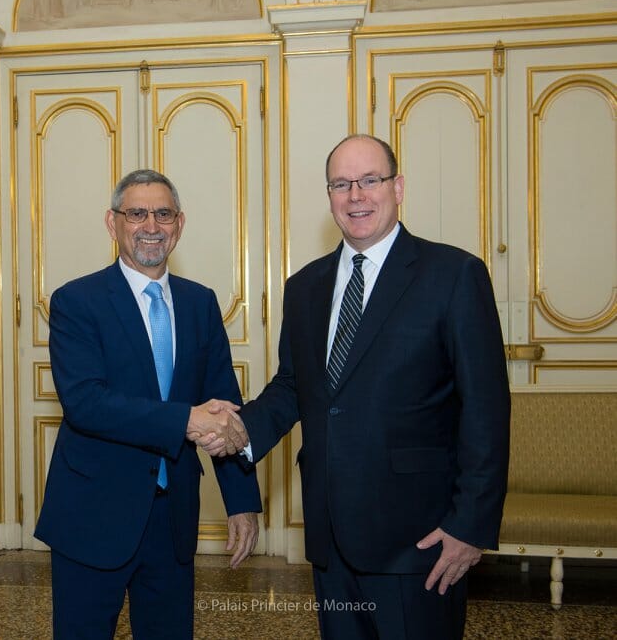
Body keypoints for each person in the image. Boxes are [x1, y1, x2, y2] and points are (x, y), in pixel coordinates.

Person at [206, 135, 510, 639]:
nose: (356, 195)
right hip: (330, 536)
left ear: (398, 187)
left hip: (421, 540)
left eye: (370, 180)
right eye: (342, 184)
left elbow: (487, 409)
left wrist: (470, 525)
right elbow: (293, 387)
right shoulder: (303, 287)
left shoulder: (454, 275)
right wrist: (237, 428)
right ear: (329, 196)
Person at [34, 169, 261, 639]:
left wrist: (241, 501)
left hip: (172, 517)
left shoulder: (201, 303)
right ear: (112, 223)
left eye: (162, 214)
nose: (150, 226)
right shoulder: (76, 301)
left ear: (179, 225)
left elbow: (225, 408)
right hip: (92, 515)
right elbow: (86, 403)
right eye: (136, 213)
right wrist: (185, 419)